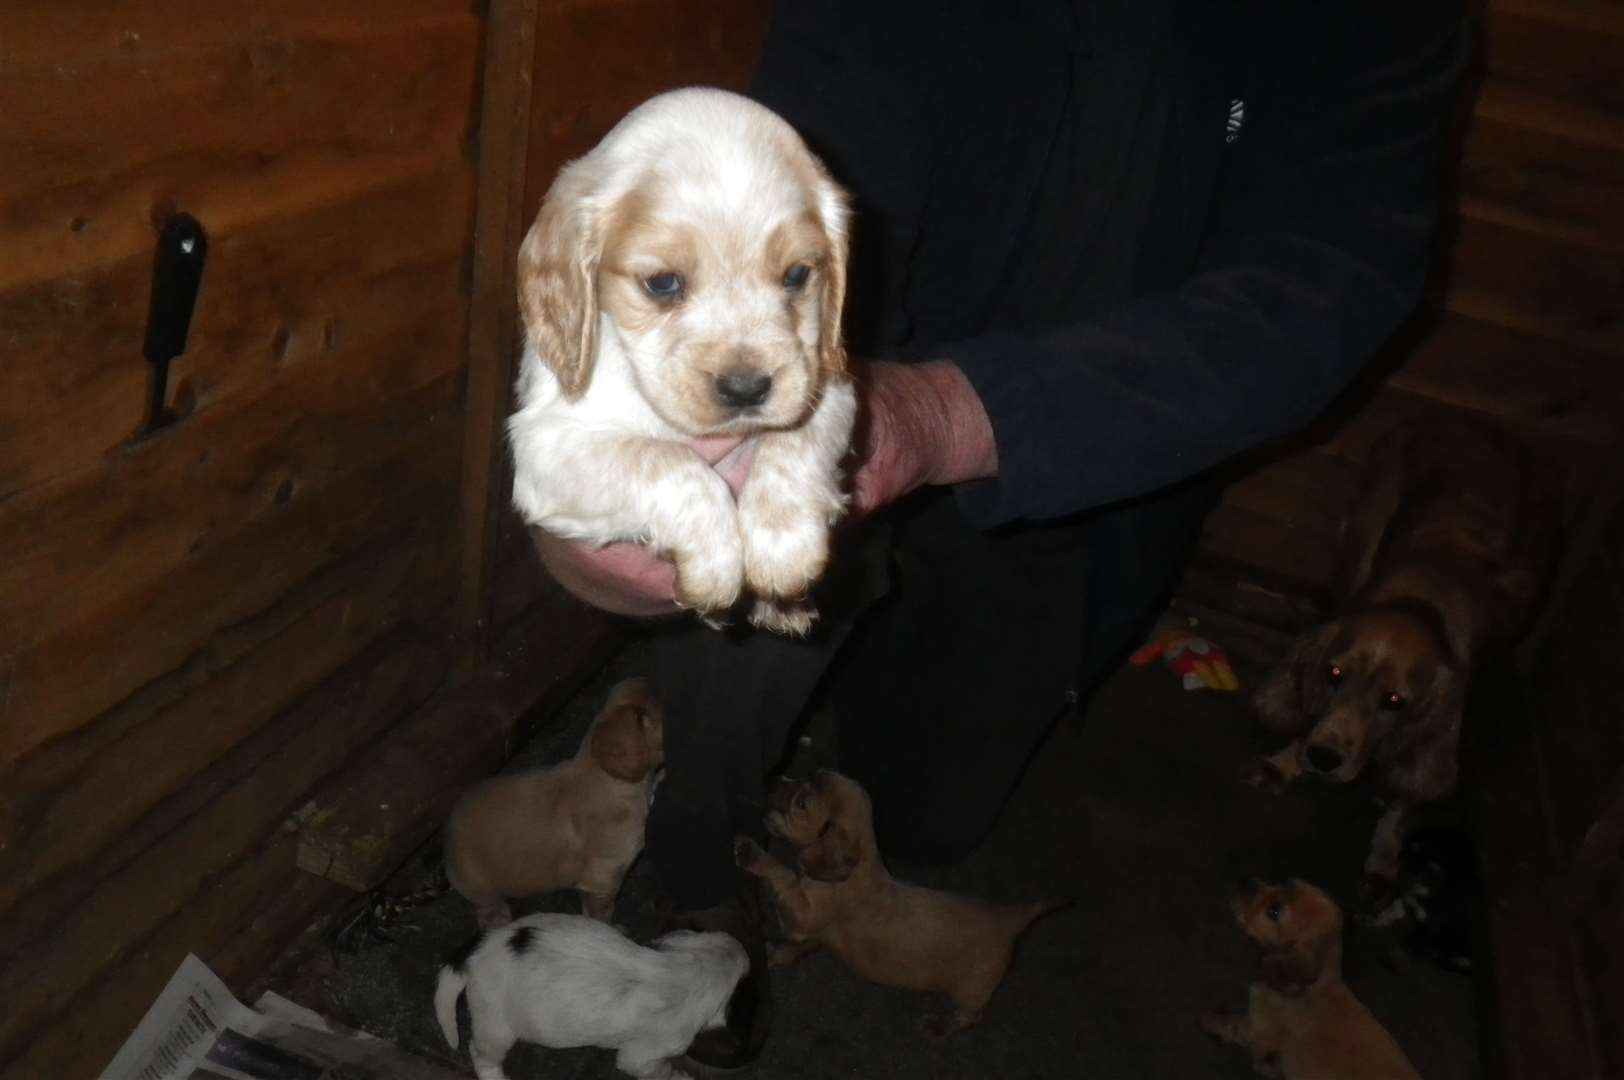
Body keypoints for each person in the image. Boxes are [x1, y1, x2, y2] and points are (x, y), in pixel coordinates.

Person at [529, 0, 1469, 1067]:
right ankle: (697, 876)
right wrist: (636, 463)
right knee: (736, 636)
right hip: (862, 373)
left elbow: (1328, 284)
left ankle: (856, 723)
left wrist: (961, 417)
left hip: (1085, 450)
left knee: (930, 823)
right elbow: (806, 138)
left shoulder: (1380, 27)